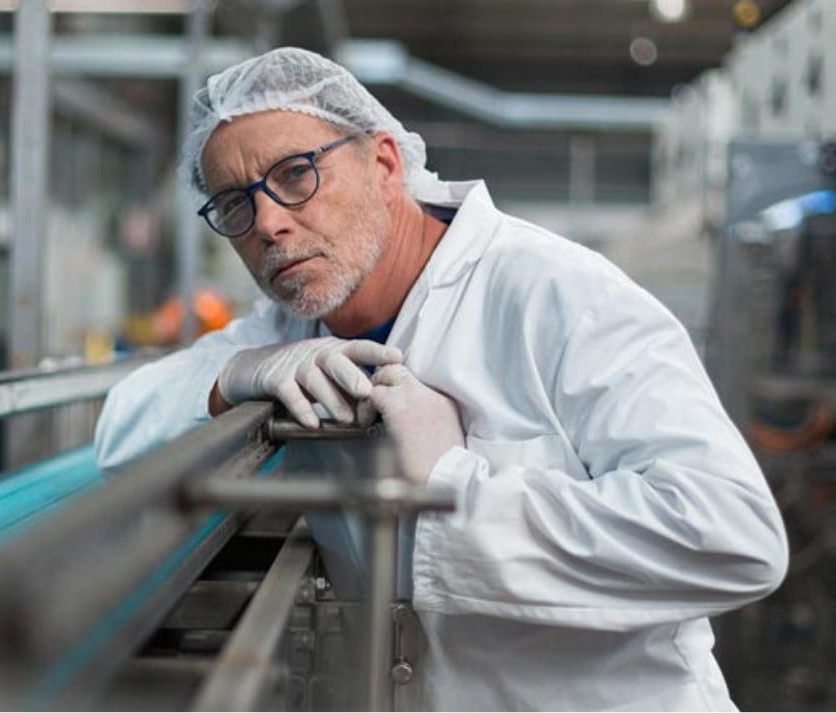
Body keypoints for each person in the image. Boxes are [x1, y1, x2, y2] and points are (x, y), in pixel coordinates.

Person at [94, 47, 787, 711]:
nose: (269, 222)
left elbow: (733, 533)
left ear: (385, 162)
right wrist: (237, 374)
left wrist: (456, 486)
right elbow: (121, 431)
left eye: (296, 173)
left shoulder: (555, 293)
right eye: (236, 205)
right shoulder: (293, 329)